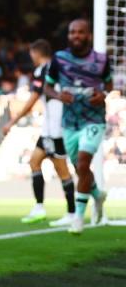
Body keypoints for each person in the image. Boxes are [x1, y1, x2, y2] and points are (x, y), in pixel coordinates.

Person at [43, 19, 111, 234]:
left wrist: (104, 94)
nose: (76, 36)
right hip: (69, 123)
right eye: (72, 32)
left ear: (88, 35)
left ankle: (79, 218)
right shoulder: (59, 59)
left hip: (93, 119)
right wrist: (57, 95)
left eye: (80, 32)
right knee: (80, 168)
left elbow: (108, 83)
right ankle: (97, 195)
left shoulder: (100, 60)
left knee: (83, 162)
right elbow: (47, 87)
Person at [2, 39, 76, 226]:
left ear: (36, 53)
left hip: (55, 129)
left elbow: (33, 99)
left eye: (31, 54)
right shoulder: (58, 68)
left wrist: (12, 121)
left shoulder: (44, 70)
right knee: (34, 161)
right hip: (49, 129)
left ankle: (72, 212)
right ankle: (39, 207)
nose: (31, 57)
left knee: (62, 169)